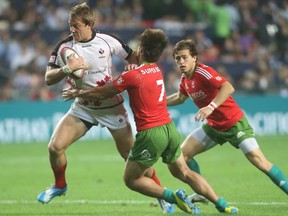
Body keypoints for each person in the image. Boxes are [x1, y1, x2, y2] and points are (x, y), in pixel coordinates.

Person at [62, 28, 239, 214]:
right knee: (184, 172)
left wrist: (79, 92)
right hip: (170, 129)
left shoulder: (132, 75)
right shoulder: (156, 70)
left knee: (131, 180)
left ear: (140, 49)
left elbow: (104, 91)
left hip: (151, 134)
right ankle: (223, 205)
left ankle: (172, 197)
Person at [37, 3, 173, 213]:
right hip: (83, 107)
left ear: (89, 24)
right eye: (70, 25)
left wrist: (133, 66)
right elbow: (48, 78)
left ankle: (161, 195)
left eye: (76, 25)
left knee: (132, 158)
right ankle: (59, 185)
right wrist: (67, 69)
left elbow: (137, 59)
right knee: (54, 147)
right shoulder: (64, 46)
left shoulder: (108, 40)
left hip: (111, 107)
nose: (72, 30)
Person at [166, 39, 288, 199]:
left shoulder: (204, 72)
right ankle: (201, 192)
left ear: (194, 57)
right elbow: (181, 97)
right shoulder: (185, 79)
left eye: (184, 57)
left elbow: (228, 87)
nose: (181, 61)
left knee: (260, 162)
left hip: (234, 123)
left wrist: (211, 107)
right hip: (214, 127)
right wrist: (158, 102)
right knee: (182, 155)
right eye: (177, 58)